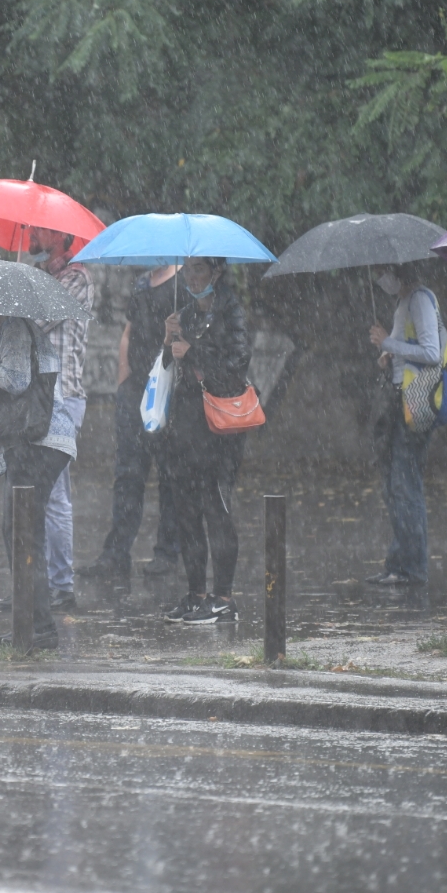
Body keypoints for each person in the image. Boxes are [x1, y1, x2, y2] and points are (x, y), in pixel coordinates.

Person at [156, 257, 252, 625]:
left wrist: (192, 351)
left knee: (217, 507)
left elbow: (236, 364)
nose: (193, 279)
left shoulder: (231, 310)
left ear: (216, 272)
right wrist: (169, 342)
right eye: (189, 271)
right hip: (184, 427)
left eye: (199, 271)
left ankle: (223, 596)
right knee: (185, 511)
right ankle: (196, 593)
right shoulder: (184, 314)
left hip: (220, 428)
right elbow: (169, 366)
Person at [0, 310, 75, 649]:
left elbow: (17, 381)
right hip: (42, 444)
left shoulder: (15, 327)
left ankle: (36, 628)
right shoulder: (17, 330)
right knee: (23, 531)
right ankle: (32, 625)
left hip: (37, 444)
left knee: (21, 532)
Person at [77, 264, 182, 582]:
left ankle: (167, 553)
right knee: (127, 476)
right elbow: (128, 332)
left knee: (170, 476)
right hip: (134, 389)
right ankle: (115, 553)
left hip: (167, 390)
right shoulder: (141, 285)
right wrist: (123, 384)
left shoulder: (182, 285)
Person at [364, 263, 444, 588]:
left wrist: (389, 344)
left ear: (400, 270)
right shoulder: (403, 302)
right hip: (399, 400)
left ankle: (413, 569)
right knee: (393, 485)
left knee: (405, 484)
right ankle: (397, 564)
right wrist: (387, 354)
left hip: (416, 401)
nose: (380, 277)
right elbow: (402, 352)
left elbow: (431, 353)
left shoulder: (421, 300)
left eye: (384, 270)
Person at [30, 226, 94, 611]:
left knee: (55, 496)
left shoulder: (77, 278)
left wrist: (15, 306)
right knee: (27, 494)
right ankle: (32, 581)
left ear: (58, 236)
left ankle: (61, 585)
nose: (31, 237)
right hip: (33, 398)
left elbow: (39, 323)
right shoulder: (42, 277)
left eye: (38, 232)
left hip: (62, 397)